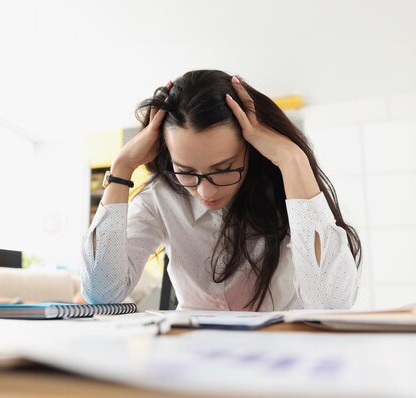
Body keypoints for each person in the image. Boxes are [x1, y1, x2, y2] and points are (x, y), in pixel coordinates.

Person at [81, 70, 361, 311]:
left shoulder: (287, 189)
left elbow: (332, 302)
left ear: (250, 150)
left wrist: (292, 158)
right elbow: (101, 293)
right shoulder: (161, 197)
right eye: (187, 172)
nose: (205, 190)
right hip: (192, 355)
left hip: (282, 354)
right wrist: (121, 168)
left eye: (224, 168)